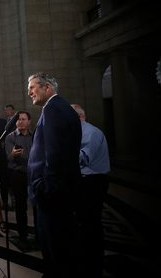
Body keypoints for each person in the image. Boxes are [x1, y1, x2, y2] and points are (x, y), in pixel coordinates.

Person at [27, 72, 82, 278]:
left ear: (47, 87)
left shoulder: (52, 110)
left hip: (53, 195)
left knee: (55, 248)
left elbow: (54, 154)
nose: (29, 91)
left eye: (32, 87)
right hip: (60, 191)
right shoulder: (62, 108)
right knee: (62, 246)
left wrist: (44, 187)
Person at [71, 104, 110, 278]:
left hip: (92, 182)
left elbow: (84, 158)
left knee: (91, 222)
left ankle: (93, 263)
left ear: (79, 117)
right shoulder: (79, 131)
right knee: (83, 221)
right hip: (83, 181)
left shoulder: (90, 132)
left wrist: (60, 150)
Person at [4, 111, 33, 250]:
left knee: (36, 205)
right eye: (18, 119)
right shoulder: (10, 137)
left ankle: (39, 234)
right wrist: (13, 154)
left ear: (29, 122)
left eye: (23, 119)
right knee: (20, 206)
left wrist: (23, 157)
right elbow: (9, 157)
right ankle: (23, 236)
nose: (20, 121)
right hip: (18, 174)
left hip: (33, 174)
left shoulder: (35, 137)